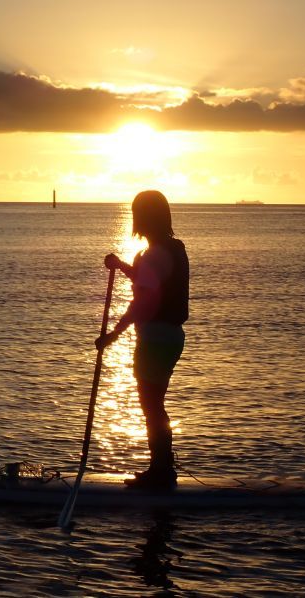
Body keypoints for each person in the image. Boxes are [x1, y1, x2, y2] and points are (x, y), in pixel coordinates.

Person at [96, 190, 189, 489]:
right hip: (171, 336)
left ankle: (161, 472)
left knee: (151, 405)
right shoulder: (172, 249)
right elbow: (149, 279)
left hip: (157, 338)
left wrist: (112, 335)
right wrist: (122, 266)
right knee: (155, 404)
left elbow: (144, 301)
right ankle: (162, 468)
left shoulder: (155, 253)